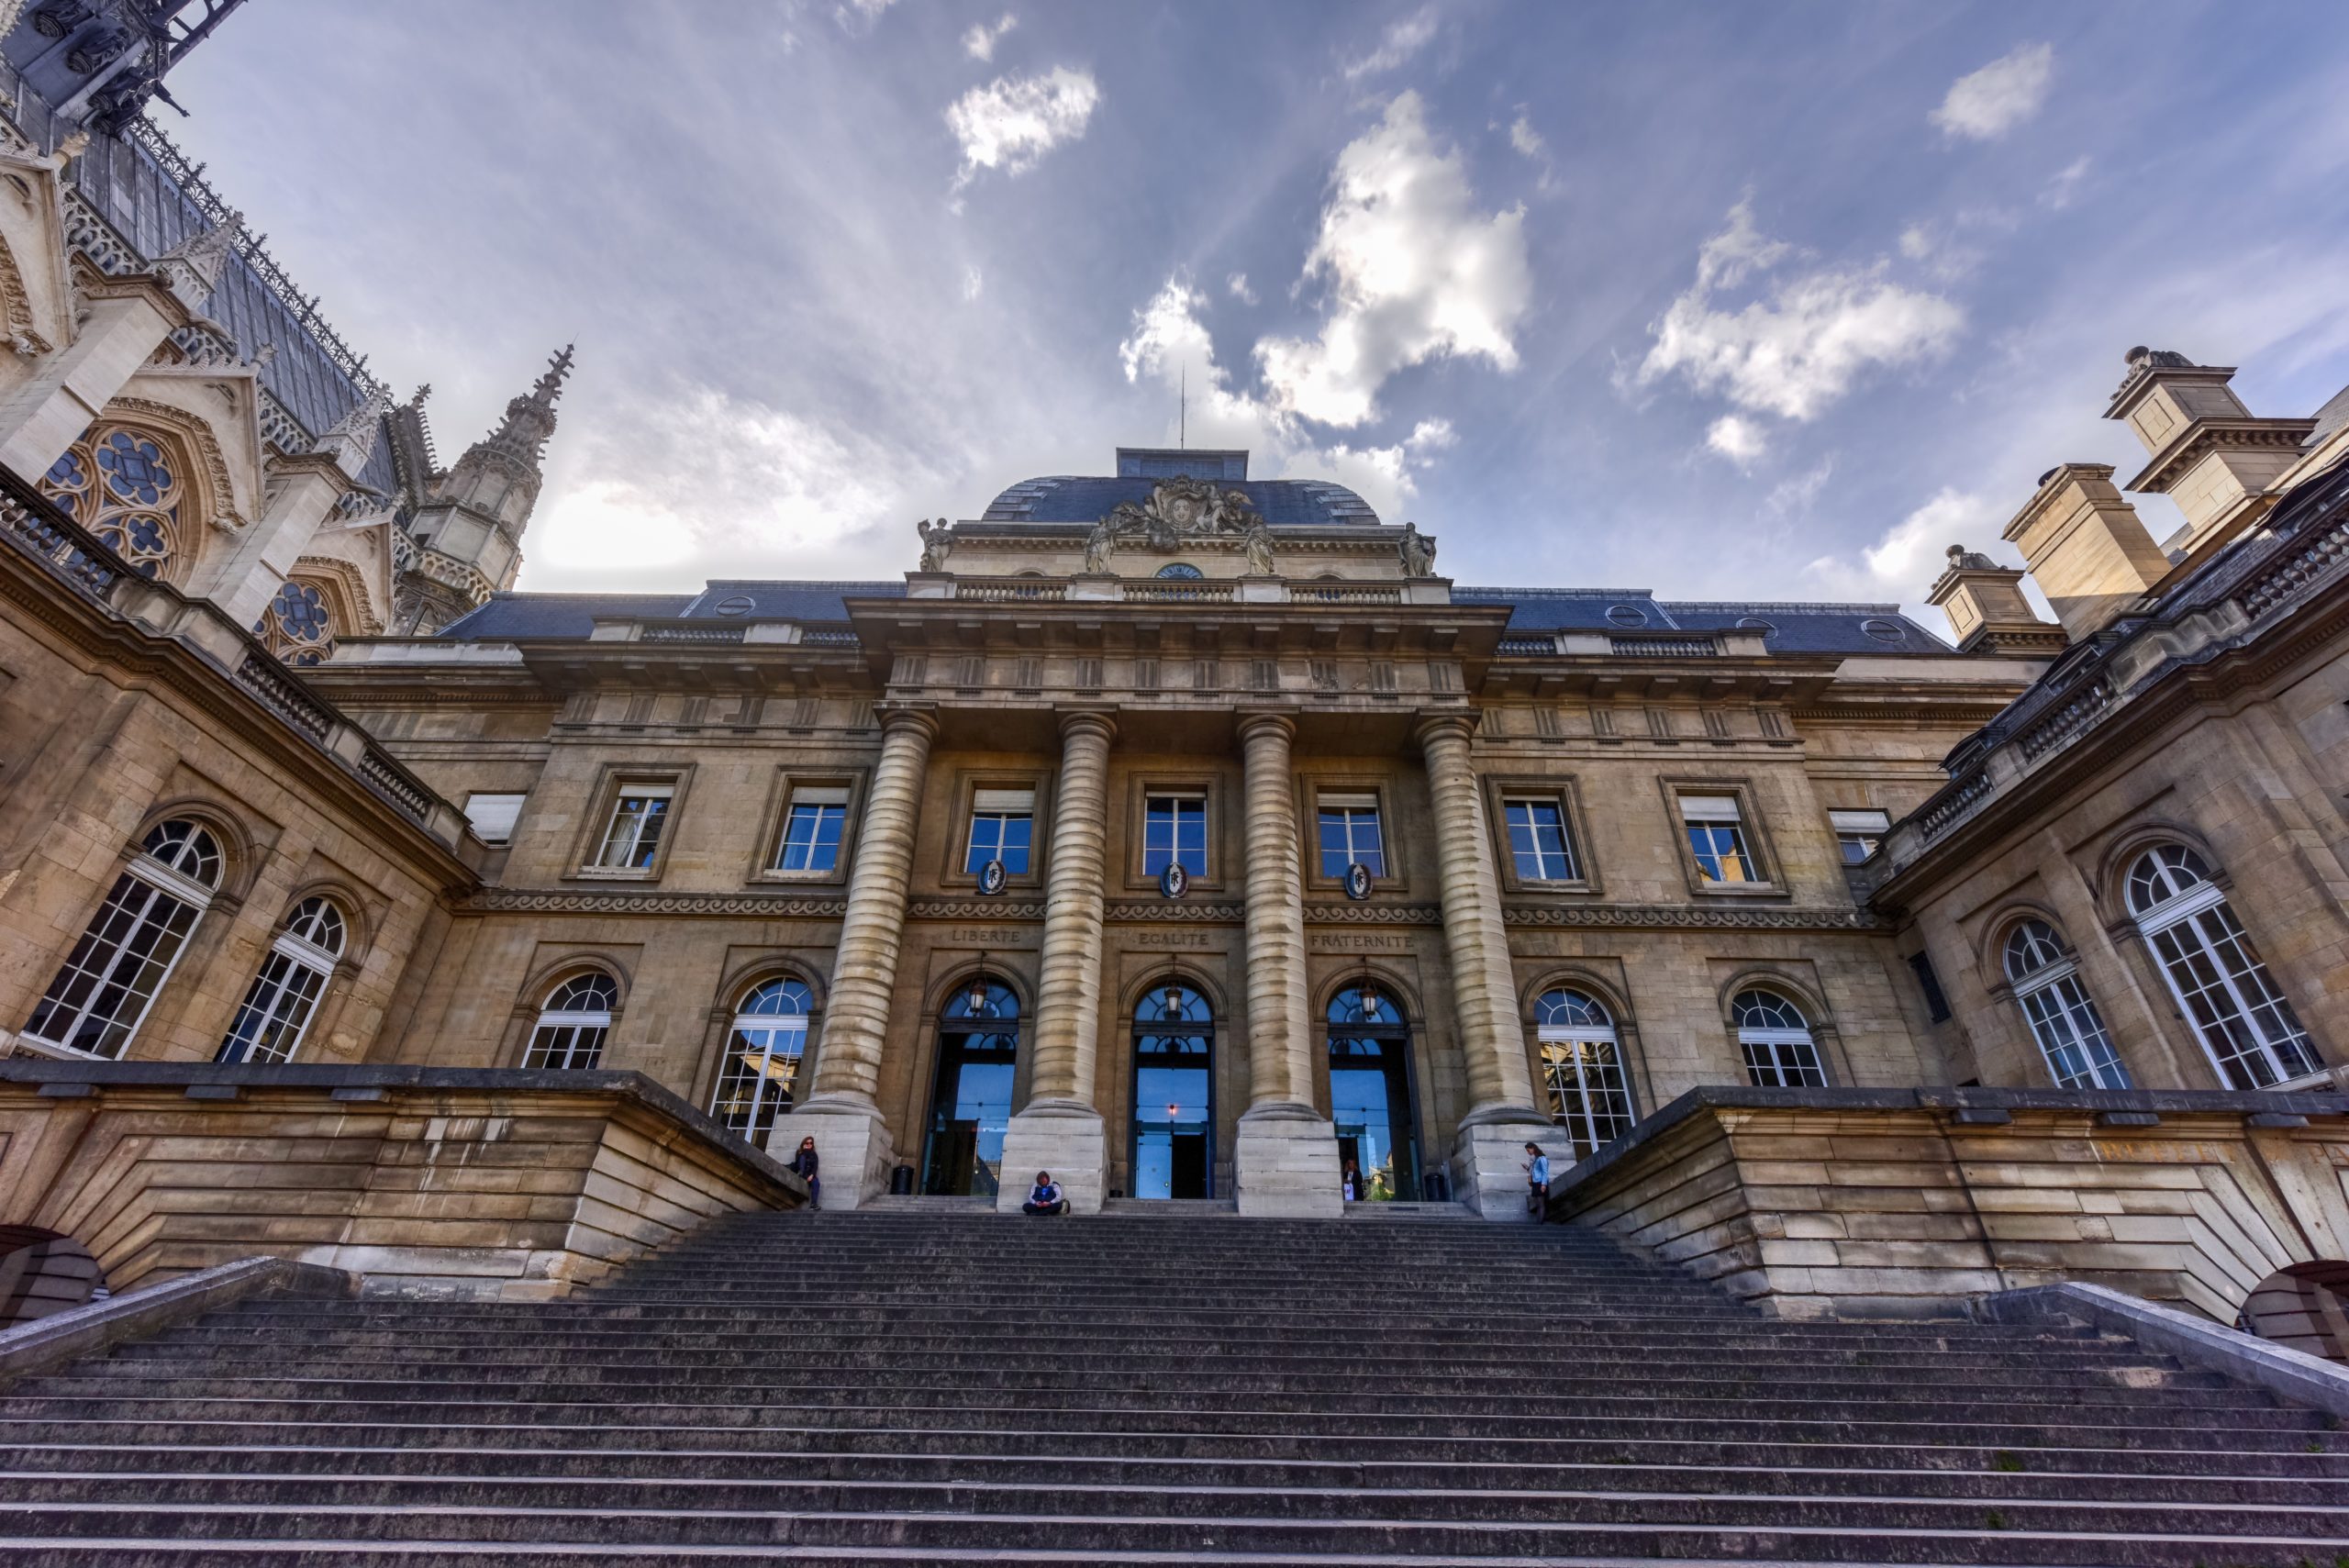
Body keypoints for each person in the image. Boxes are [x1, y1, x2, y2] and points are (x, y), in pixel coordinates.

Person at [790, 1136, 820, 1210]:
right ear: (804, 1143)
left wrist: (812, 1175)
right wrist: (805, 1151)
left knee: (816, 1183)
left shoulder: (814, 1154)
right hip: (801, 1172)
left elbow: (815, 1166)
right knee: (803, 1157)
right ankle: (802, 1174)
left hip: (810, 1174)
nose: (809, 1144)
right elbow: (798, 1163)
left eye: (811, 1143)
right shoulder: (799, 1152)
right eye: (807, 1143)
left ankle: (813, 1204)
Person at [1523, 1141, 1551, 1219]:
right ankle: (1539, 1222)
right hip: (1535, 1183)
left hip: (1541, 1183)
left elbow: (1545, 1172)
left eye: (1528, 1150)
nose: (1528, 1153)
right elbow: (1535, 1171)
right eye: (1527, 1151)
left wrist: (1543, 1185)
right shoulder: (1535, 1159)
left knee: (1541, 1204)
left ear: (1533, 1148)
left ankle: (1540, 1223)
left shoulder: (1542, 1158)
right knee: (1538, 1204)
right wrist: (1527, 1168)